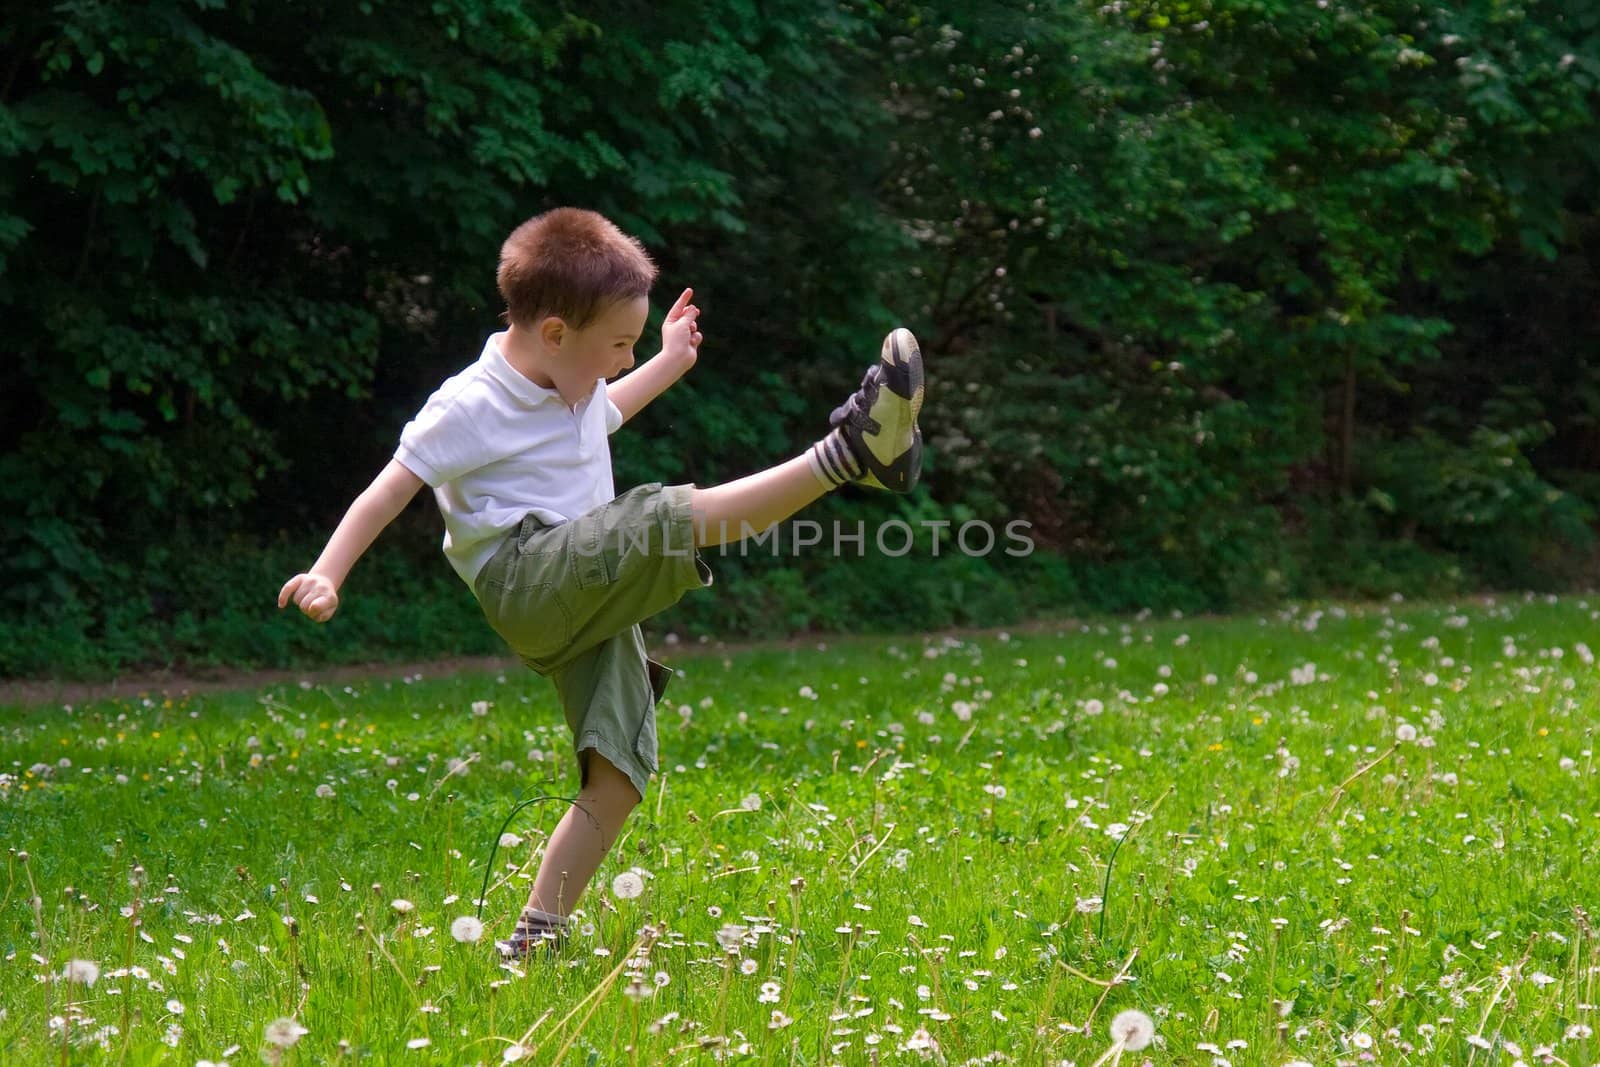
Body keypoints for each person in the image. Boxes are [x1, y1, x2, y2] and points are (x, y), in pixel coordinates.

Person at [277, 207, 924, 957]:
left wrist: (669, 362)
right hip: (525, 573)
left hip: (581, 579)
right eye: (618, 343)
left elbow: (604, 411)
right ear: (554, 332)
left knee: (621, 764)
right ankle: (849, 452)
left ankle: (536, 937)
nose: (623, 358)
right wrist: (329, 571)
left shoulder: (574, 384)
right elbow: (389, 488)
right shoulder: (470, 403)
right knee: (655, 516)